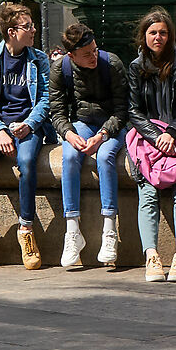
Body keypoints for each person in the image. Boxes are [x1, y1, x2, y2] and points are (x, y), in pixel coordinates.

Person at [0, 3, 53, 269]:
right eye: (28, 26)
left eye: (32, 25)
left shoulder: (39, 59)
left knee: (27, 163)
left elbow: (46, 99)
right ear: (11, 31)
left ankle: (26, 230)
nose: (33, 30)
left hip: (29, 126)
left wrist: (29, 124)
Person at [123, 9, 176, 283]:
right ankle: (151, 256)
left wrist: (171, 131)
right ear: (144, 36)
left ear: (171, 36)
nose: (158, 37)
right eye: (153, 32)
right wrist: (156, 136)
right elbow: (133, 111)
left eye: (163, 32)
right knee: (147, 197)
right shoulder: (135, 67)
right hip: (146, 140)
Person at [51, 21, 128, 271]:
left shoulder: (112, 63)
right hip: (82, 123)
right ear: (71, 55)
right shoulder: (60, 68)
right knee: (70, 156)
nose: (94, 56)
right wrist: (68, 134)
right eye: (87, 54)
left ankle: (109, 230)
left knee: (105, 156)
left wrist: (104, 134)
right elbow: (57, 112)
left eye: (95, 50)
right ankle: (72, 231)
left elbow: (123, 110)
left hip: (112, 124)